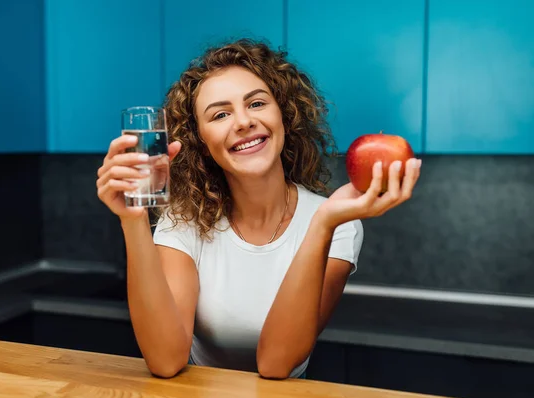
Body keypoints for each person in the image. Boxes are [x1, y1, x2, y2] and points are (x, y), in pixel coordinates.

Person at [96, 39, 421, 379]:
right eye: (220, 114)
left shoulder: (338, 221)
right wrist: (132, 221)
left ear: (284, 115)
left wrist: (323, 224)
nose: (243, 121)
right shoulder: (184, 221)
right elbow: (166, 360)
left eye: (256, 103)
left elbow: (277, 364)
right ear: (201, 143)